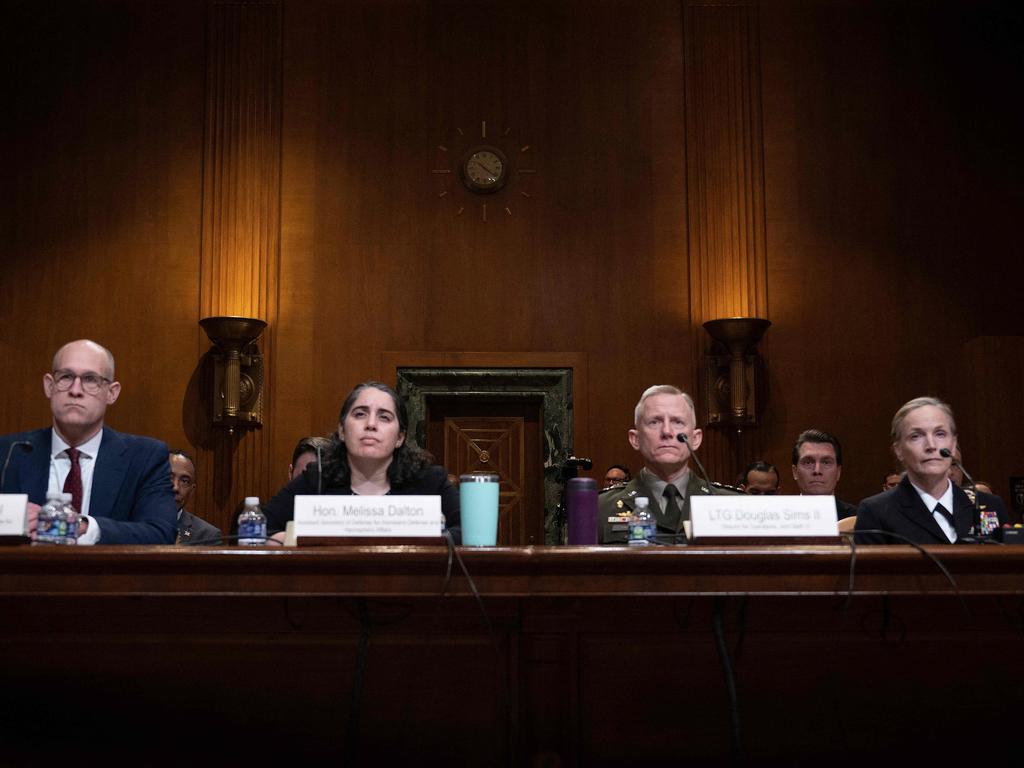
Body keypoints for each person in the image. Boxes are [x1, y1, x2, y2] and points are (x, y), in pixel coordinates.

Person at [0, 339, 176, 544]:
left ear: (112, 392)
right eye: (66, 377)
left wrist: (79, 526)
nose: (76, 390)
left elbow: (160, 534)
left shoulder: (145, 457)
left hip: (106, 576)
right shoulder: (8, 452)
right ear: (49, 386)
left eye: (90, 379)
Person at [264, 381, 460, 542]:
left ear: (400, 437)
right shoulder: (317, 479)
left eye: (384, 417)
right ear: (341, 430)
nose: (371, 424)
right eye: (360, 414)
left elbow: (468, 532)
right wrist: (296, 540)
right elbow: (254, 528)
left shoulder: (429, 481)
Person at [855, 397, 1008, 544]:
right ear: (898, 450)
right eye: (916, 436)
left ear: (953, 444)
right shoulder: (876, 512)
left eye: (940, 434)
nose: (931, 445)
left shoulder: (989, 505)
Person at [598, 385, 735, 544]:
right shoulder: (600, 509)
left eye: (678, 422)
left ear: (695, 438)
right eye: (654, 422)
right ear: (635, 439)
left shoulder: (731, 506)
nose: (667, 431)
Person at [791, 429, 857, 520]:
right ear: (795, 472)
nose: (817, 470)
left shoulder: (857, 520)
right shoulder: (778, 518)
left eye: (826, 463)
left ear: (838, 472)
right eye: (808, 462)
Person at [169, 449, 221, 545]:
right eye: (169, 477)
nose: (175, 487)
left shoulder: (207, 536)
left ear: (191, 491)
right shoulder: (134, 524)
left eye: (184, 481)